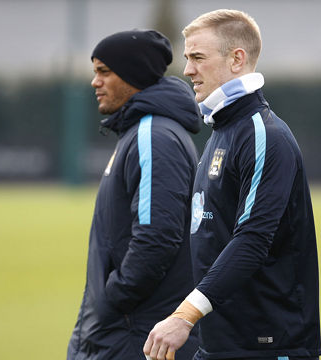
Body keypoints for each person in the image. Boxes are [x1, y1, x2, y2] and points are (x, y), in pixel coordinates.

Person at [143, 9, 321, 360]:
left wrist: (183, 316)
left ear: (237, 59)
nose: (188, 69)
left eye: (197, 57)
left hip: (267, 347)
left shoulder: (263, 134)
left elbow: (252, 240)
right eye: (187, 58)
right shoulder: (222, 132)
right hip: (220, 344)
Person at [67, 29, 201, 360]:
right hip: (129, 328)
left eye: (104, 72)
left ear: (133, 75)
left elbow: (156, 237)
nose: (95, 82)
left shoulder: (152, 136)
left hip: (137, 333)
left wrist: (112, 299)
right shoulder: (141, 132)